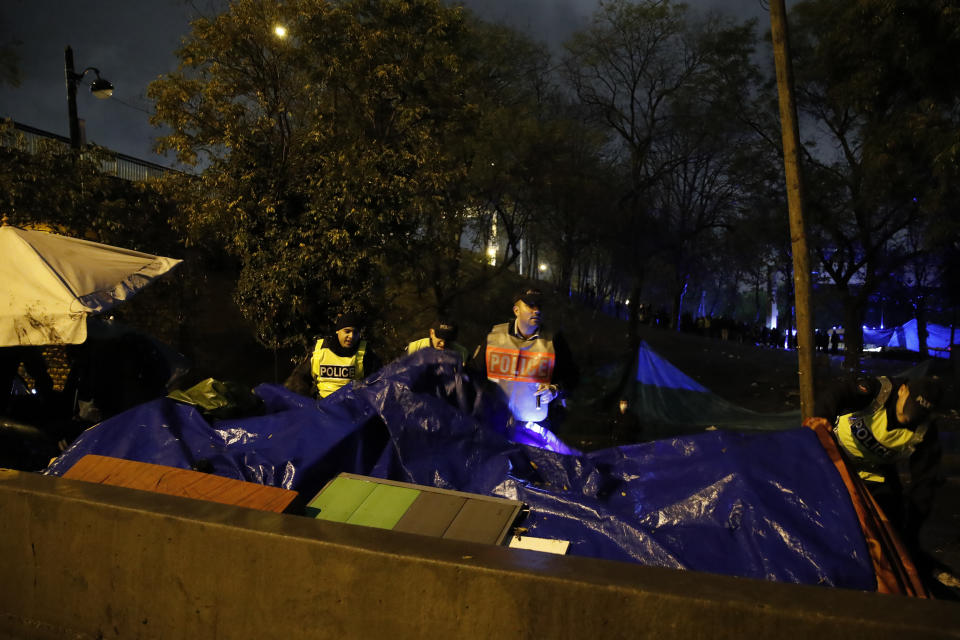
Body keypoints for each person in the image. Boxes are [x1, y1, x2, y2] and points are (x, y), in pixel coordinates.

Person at [814, 374, 943, 554]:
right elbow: (838, 392)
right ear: (903, 390)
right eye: (908, 408)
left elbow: (924, 485)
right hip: (833, 458)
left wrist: (910, 533)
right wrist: (821, 419)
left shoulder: (925, 432)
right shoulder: (878, 390)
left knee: (887, 524)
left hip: (873, 474)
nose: (908, 418)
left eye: (917, 414)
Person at [470, 287, 578, 429]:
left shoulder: (555, 341)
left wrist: (556, 390)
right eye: (531, 305)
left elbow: (572, 377)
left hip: (535, 426)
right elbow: (473, 372)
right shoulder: (495, 335)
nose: (537, 310)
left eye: (539, 306)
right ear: (516, 310)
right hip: (494, 422)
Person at [284, 314, 381, 399]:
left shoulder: (365, 353)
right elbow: (300, 377)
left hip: (350, 410)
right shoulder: (319, 350)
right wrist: (307, 402)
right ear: (338, 331)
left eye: (355, 333)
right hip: (323, 409)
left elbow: (378, 381)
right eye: (347, 331)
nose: (351, 336)